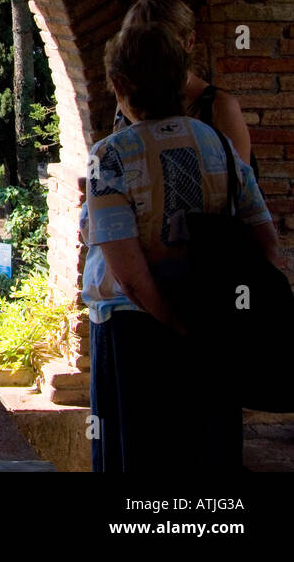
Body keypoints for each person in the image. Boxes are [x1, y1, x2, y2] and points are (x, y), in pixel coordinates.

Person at [83, 23, 279, 472]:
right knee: (208, 456)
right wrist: (224, 321)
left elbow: (131, 278)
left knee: (136, 459)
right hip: (215, 324)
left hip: (134, 336)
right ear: (179, 81)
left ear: (118, 85)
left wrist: (176, 323)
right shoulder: (221, 145)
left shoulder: (110, 156)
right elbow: (266, 243)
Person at [112, 0, 254, 173]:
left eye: (160, 46)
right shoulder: (129, 99)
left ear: (189, 42)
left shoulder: (220, 107)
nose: (147, 56)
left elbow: (240, 187)